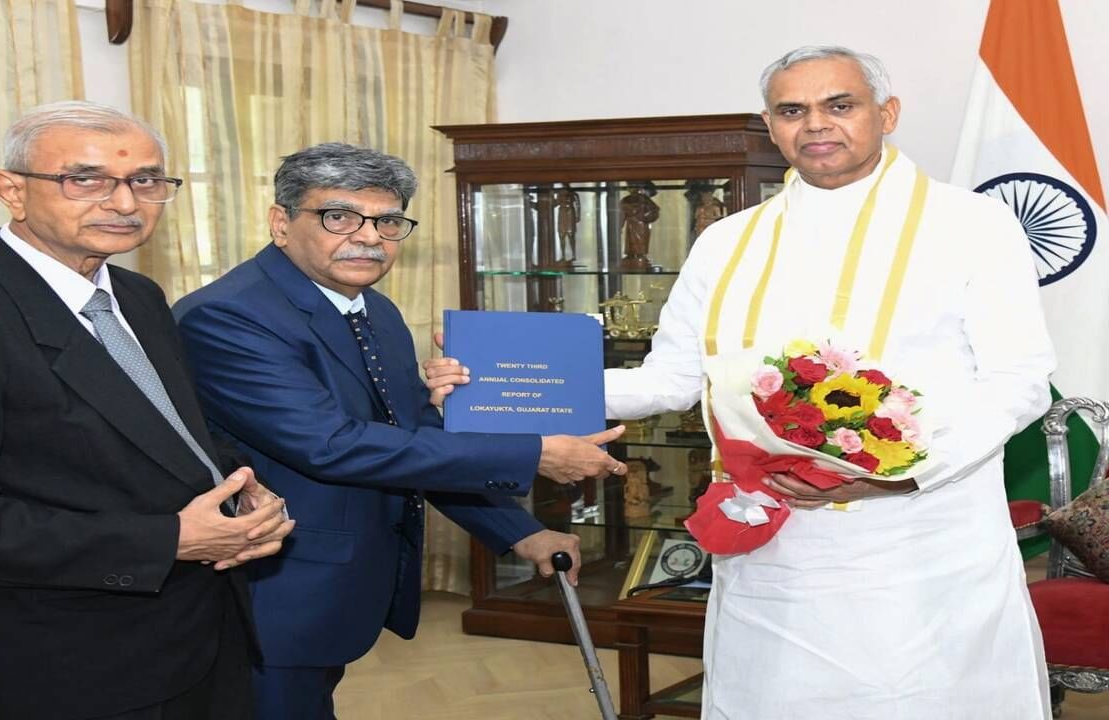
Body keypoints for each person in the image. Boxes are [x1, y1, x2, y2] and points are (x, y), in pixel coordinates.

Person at [428, 46, 1056, 719]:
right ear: (771, 124)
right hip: (772, 539)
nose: (815, 124)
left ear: (886, 113)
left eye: (838, 105)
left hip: (918, 536)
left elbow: (1018, 380)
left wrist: (901, 474)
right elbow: (671, 377)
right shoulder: (729, 240)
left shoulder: (970, 224)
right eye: (793, 110)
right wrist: (490, 381)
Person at [0, 101, 294, 720]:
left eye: (145, 180)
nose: (123, 203)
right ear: (10, 190)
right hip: (76, 665)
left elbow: (166, 436)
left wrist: (242, 488)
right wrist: (165, 539)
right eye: (84, 179)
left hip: (207, 631)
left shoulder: (137, 296)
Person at [173, 142, 626, 720]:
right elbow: (331, 445)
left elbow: (412, 431)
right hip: (272, 595)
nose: (368, 237)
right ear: (280, 223)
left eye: (387, 221)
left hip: (339, 585)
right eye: (338, 217)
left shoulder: (373, 309)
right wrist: (534, 452)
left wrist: (518, 532)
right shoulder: (230, 316)